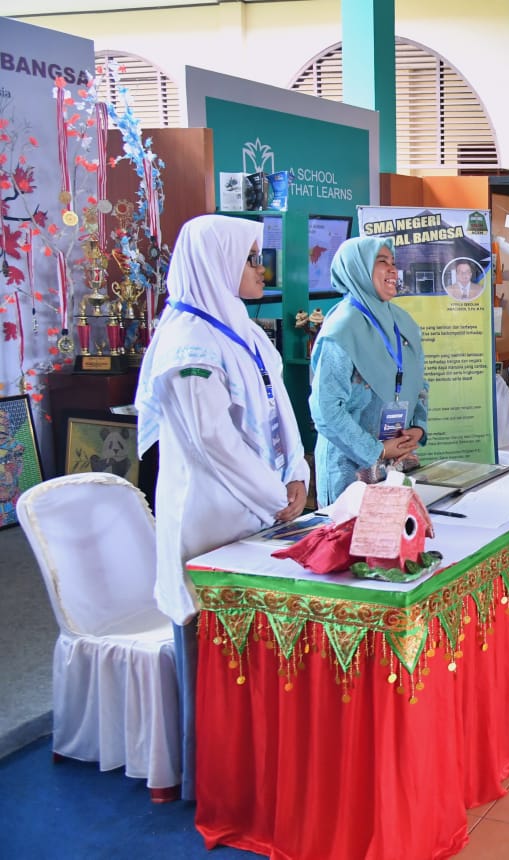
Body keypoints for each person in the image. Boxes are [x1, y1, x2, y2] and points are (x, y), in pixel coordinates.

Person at [135, 214, 311, 799]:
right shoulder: (186, 341)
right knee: (210, 646)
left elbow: (282, 408)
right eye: (249, 258)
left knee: (253, 647)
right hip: (210, 519)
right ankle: (211, 778)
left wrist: (298, 474)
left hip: (262, 510)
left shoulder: (243, 326)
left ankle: (258, 767)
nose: (260, 269)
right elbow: (212, 442)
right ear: (215, 264)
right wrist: (273, 493)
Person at [309, 237, 428, 505]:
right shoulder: (341, 330)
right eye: (381, 261)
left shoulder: (402, 322)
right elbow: (325, 411)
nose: (393, 270)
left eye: (394, 263)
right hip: (349, 471)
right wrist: (376, 450)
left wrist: (418, 429)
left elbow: (420, 383)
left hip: (395, 464)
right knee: (349, 543)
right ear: (357, 269)